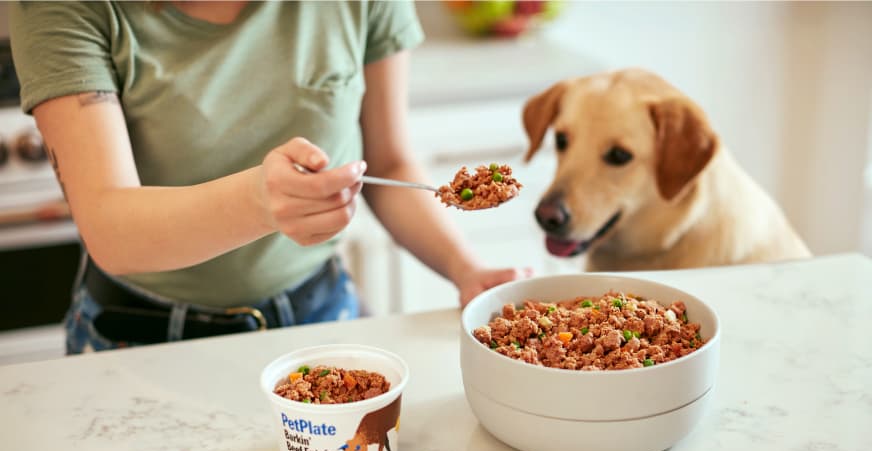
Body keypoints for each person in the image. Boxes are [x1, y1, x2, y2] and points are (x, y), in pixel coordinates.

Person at [9, 1, 527, 353]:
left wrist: (465, 268)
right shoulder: (65, 9)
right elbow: (111, 230)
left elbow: (390, 165)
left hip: (321, 308)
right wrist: (258, 202)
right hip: (141, 336)